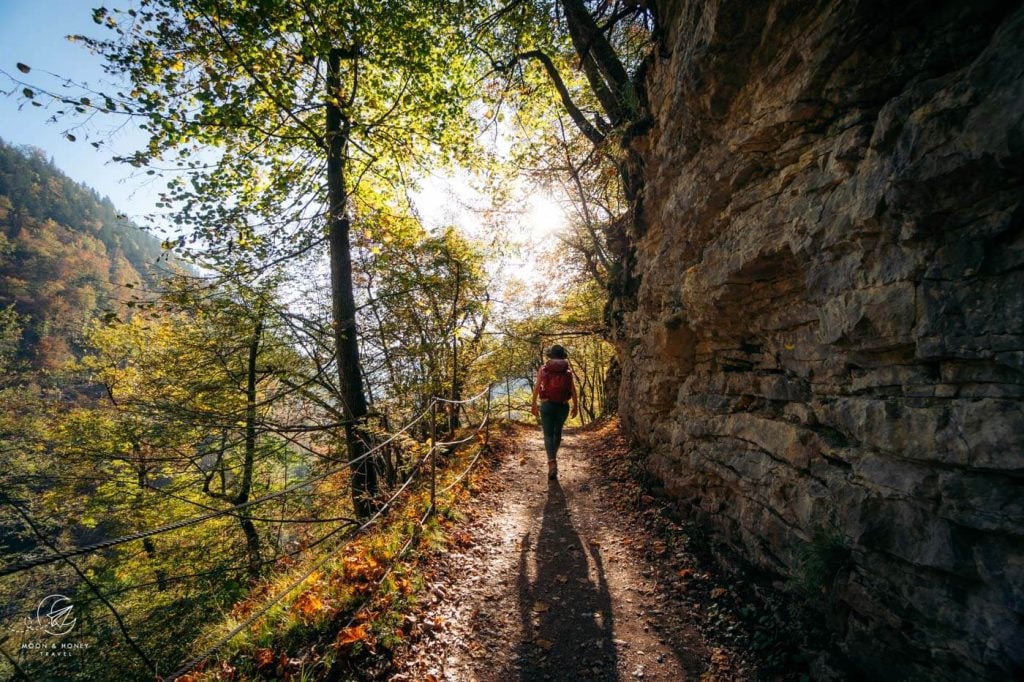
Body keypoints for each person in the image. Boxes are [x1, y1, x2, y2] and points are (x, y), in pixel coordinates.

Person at [530, 344, 579, 480]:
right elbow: (573, 389)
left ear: (551, 356)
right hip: (563, 406)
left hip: (547, 405)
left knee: (547, 435)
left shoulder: (544, 369)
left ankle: (552, 462)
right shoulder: (567, 370)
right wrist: (576, 405)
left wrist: (533, 404)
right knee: (557, 432)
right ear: (563, 356)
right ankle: (553, 458)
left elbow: (536, 387)